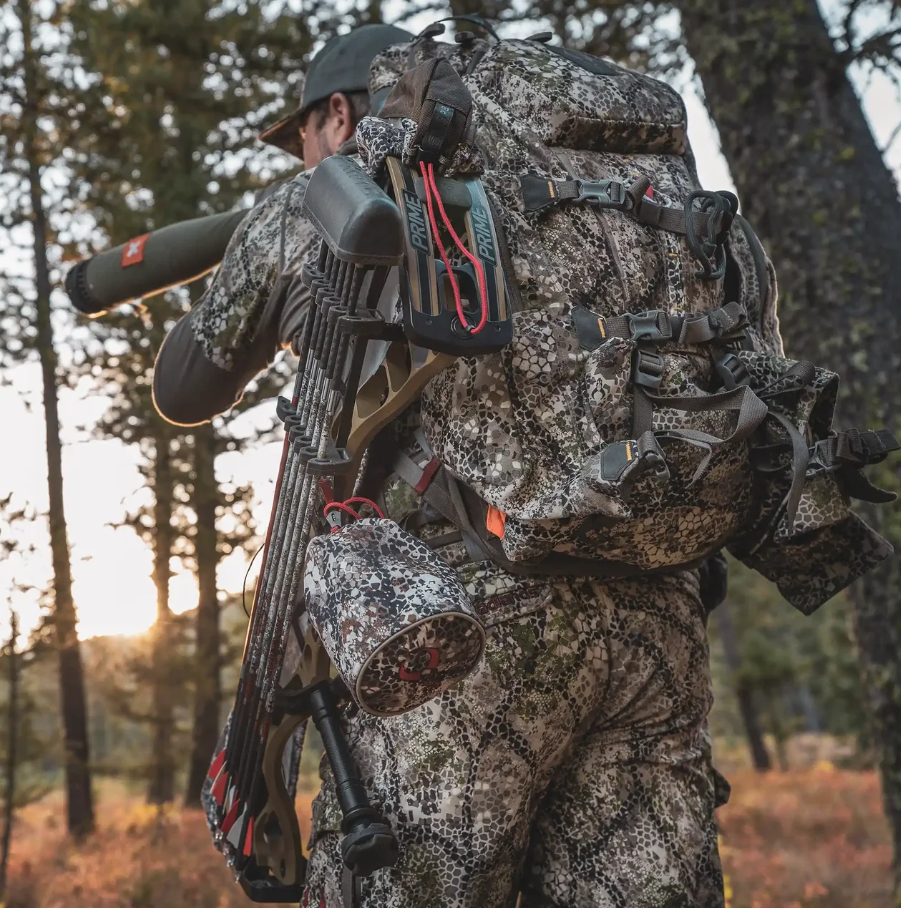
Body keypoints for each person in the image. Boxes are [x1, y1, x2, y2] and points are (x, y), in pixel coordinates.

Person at [153, 25, 729, 908]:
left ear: (337, 113)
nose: (306, 154)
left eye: (304, 132)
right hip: (661, 624)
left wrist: (265, 248)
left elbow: (185, 387)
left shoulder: (327, 191)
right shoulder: (610, 198)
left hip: (457, 640)